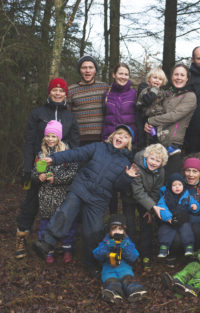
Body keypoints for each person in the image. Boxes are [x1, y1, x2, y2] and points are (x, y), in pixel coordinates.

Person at [32, 124, 139, 278]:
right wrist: (53, 159)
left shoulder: (125, 163)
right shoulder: (98, 147)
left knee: (93, 232)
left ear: (128, 143)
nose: (120, 138)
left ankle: (91, 263)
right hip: (81, 188)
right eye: (119, 134)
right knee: (66, 211)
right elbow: (76, 154)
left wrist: (127, 177)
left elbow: (118, 186)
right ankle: (46, 243)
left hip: (99, 199)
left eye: (125, 137)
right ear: (113, 135)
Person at [15, 78, 80, 260]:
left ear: (66, 94)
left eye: (61, 90)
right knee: (31, 203)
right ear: (49, 92)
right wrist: (28, 168)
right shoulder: (38, 113)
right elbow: (30, 142)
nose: (58, 93)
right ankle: (21, 236)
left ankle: (60, 242)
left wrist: (74, 169)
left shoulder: (70, 117)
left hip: (62, 169)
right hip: (40, 164)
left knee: (62, 206)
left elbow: (75, 145)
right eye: (54, 90)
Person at [31, 120, 79, 264]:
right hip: (45, 195)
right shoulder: (40, 154)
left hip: (63, 195)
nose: (50, 139)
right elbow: (34, 172)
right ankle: (48, 250)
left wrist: (56, 178)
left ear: (59, 137)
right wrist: (39, 176)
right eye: (48, 136)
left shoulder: (67, 153)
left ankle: (67, 249)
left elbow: (73, 172)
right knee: (46, 223)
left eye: (53, 136)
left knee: (66, 223)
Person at [144, 64, 197, 178]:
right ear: (171, 77)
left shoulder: (190, 96)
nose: (178, 77)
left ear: (187, 78)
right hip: (156, 142)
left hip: (173, 145)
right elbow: (155, 110)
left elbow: (173, 116)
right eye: (176, 74)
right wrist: (147, 124)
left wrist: (150, 120)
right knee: (152, 181)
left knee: (170, 181)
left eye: (182, 75)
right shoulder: (166, 94)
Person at [128, 143, 167, 270]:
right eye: (152, 158)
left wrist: (150, 209)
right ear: (146, 157)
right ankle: (130, 254)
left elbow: (156, 190)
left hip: (147, 199)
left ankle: (146, 255)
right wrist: (152, 207)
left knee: (148, 223)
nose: (154, 162)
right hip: (130, 197)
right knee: (130, 225)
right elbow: (137, 192)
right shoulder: (136, 166)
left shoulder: (160, 171)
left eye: (158, 160)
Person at [92, 214, 147, 303]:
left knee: (128, 280)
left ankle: (135, 291)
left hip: (124, 268)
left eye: (120, 229)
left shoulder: (127, 241)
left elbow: (134, 256)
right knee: (111, 282)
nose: (117, 231)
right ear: (109, 230)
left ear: (124, 231)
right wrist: (107, 248)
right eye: (114, 229)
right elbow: (96, 254)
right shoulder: (106, 241)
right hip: (109, 269)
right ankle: (113, 294)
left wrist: (125, 247)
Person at [135, 67, 180, 155]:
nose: (157, 80)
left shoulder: (161, 91)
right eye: (155, 78)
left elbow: (168, 96)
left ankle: (165, 147)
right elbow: (146, 100)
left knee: (163, 132)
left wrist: (171, 93)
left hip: (159, 115)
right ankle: (166, 148)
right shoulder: (146, 90)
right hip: (151, 115)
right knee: (157, 133)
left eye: (160, 79)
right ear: (149, 79)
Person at [155, 173, 200, 258]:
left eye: (179, 185)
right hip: (170, 220)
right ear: (169, 187)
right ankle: (164, 247)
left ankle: (189, 247)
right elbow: (161, 207)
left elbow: (193, 203)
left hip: (182, 219)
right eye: (174, 185)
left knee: (186, 229)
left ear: (183, 186)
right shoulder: (165, 197)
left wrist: (194, 207)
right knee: (165, 230)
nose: (177, 187)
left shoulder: (187, 196)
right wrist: (169, 218)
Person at [68, 55, 109, 145]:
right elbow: (67, 117)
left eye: (91, 67)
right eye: (84, 68)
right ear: (80, 70)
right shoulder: (71, 90)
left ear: (95, 70)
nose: (87, 71)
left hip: (101, 139)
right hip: (79, 140)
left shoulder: (104, 88)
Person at [102, 63, 137, 144]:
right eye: (120, 73)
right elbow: (104, 119)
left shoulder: (134, 94)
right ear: (114, 75)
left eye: (126, 74)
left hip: (128, 142)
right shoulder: (107, 94)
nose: (123, 77)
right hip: (109, 140)